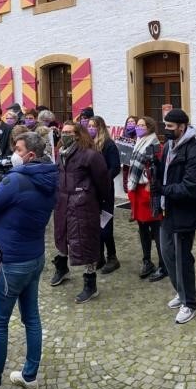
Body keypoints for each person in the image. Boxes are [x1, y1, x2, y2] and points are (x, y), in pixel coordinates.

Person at [0, 130, 58, 389]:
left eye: (18, 149)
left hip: (10, 260)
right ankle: (29, 375)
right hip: (34, 257)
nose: (14, 154)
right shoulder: (48, 176)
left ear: (31, 155)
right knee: (31, 318)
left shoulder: (17, 180)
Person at [157, 109, 196, 324]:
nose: (167, 130)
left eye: (170, 127)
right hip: (167, 211)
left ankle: (190, 303)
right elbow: (164, 175)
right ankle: (180, 293)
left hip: (185, 214)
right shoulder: (168, 147)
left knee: (182, 259)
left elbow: (192, 188)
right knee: (167, 253)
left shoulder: (195, 154)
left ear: (182, 127)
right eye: (165, 126)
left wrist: (164, 190)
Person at [52, 121, 111, 303]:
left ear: (78, 134)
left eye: (69, 132)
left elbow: (103, 182)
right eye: (63, 131)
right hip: (63, 202)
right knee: (62, 237)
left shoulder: (90, 155)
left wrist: (96, 200)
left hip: (83, 205)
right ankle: (62, 268)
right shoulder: (61, 154)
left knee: (85, 243)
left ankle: (90, 284)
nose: (65, 134)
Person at [124, 116, 165, 280]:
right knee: (142, 227)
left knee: (156, 228)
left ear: (150, 127)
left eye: (142, 125)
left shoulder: (154, 144)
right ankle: (147, 260)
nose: (139, 127)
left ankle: (163, 264)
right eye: (138, 125)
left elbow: (157, 167)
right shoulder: (138, 142)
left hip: (148, 191)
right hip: (137, 189)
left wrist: (151, 185)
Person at [86, 115, 123, 275]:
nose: (90, 129)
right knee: (95, 225)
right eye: (89, 126)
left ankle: (112, 257)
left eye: (93, 126)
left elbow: (115, 167)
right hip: (91, 190)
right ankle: (99, 256)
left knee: (105, 226)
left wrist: (102, 181)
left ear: (100, 127)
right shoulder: (88, 145)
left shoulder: (109, 145)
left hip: (105, 190)